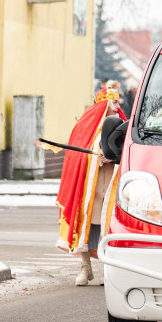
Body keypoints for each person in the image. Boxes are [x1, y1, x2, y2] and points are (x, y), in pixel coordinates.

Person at [55, 86, 127, 286]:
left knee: (110, 229)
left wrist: (113, 158)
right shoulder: (86, 127)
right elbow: (77, 157)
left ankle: (108, 270)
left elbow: (128, 153)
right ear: (104, 103)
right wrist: (97, 158)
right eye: (114, 102)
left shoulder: (123, 125)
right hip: (90, 188)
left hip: (113, 188)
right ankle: (85, 268)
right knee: (87, 226)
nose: (118, 105)